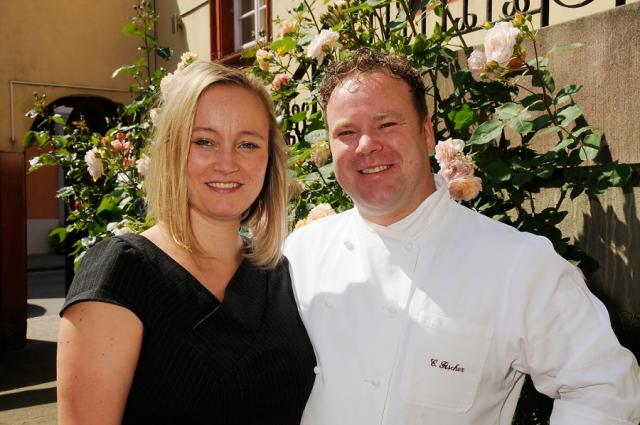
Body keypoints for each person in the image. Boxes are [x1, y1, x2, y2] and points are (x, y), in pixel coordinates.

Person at [284, 48, 640, 424]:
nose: (366, 144)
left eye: (386, 124)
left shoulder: (518, 264)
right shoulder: (303, 253)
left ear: (426, 134)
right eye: (346, 132)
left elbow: (605, 389)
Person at [57, 61, 316, 424]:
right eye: (204, 141)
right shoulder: (120, 274)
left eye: (247, 144)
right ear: (172, 150)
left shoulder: (278, 273)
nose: (227, 163)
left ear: (269, 159)